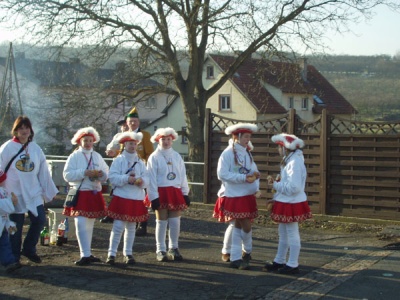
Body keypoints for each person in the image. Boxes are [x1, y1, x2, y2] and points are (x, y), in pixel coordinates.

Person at [0, 116, 58, 264]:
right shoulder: (7, 147)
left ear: (30, 130)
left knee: (39, 220)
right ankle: (14, 257)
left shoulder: (35, 148)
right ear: (16, 131)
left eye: (26, 128)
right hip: (14, 193)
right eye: (21, 128)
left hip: (33, 192)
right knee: (15, 227)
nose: (24, 131)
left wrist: (49, 191)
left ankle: (29, 249)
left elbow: (43, 171)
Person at [262, 133, 312, 275]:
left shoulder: (294, 162)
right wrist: (277, 190)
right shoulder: (289, 160)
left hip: (292, 201)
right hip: (287, 200)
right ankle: (280, 260)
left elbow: (294, 187)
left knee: (291, 232)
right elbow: (288, 183)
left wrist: (276, 185)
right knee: (283, 232)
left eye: (279, 147)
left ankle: (293, 263)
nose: (278, 149)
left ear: (285, 148)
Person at [213, 123, 260, 270]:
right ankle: (246, 252)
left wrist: (256, 182)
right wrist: (243, 178)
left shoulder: (247, 153)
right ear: (237, 137)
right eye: (246, 136)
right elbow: (222, 174)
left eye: (249, 137)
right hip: (234, 195)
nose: (248, 139)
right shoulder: (227, 154)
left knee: (239, 225)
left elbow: (253, 171)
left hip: (246, 194)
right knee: (243, 225)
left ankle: (236, 256)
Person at [62, 126, 109, 266]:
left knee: (89, 224)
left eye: (90, 140)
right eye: (85, 140)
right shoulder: (74, 156)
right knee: (81, 224)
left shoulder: (97, 156)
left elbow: (107, 172)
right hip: (80, 192)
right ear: (79, 141)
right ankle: (84, 254)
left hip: (94, 192)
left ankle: (88, 253)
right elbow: (67, 175)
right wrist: (84, 172)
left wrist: (101, 175)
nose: (88, 143)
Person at [105, 107, 154, 235]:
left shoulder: (145, 135)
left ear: (139, 122)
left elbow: (149, 153)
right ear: (127, 122)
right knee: (118, 193)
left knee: (141, 197)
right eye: (130, 121)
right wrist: (112, 152)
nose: (132, 123)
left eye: (135, 121)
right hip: (123, 168)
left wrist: (145, 169)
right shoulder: (123, 136)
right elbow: (120, 151)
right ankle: (116, 215)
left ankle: (142, 224)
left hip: (139, 168)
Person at [146, 127, 190, 262]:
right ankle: (160, 249)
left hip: (175, 191)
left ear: (172, 140)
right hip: (160, 191)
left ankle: (174, 247)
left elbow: (182, 175)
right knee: (161, 221)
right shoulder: (154, 157)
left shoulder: (176, 156)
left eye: (168, 139)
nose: (166, 142)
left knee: (175, 221)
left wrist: (185, 192)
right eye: (163, 139)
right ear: (158, 140)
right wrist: (154, 197)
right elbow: (151, 178)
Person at [106, 131, 149, 265]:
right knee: (118, 226)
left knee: (131, 227)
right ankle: (111, 254)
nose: (132, 146)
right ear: (124, 144)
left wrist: (142, 181)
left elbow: (147, 178)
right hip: (122, 196)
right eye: (130, 143)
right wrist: (127, 179)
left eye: (134, 144)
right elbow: (112, 178)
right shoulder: (119, 160)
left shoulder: (141, 162)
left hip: (136, 197)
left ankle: (128, 253)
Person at [101, 117, 130, 224]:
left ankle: (128, 214)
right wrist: (109, 151)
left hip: (130, 167)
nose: (124, 127)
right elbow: (110, 147)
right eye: (123, 125)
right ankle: (111, 214)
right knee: (114, 191)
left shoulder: (134, 138)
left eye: (126, 125)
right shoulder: (117, 136)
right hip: (118, 166)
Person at [0, 168, 22, 273]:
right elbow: (2, 207)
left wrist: (9, 223)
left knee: (4, 243)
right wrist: (11, 202)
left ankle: (8, 262)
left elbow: (5, 212)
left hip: (3, 223)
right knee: (4, 243)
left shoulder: (3, 191)